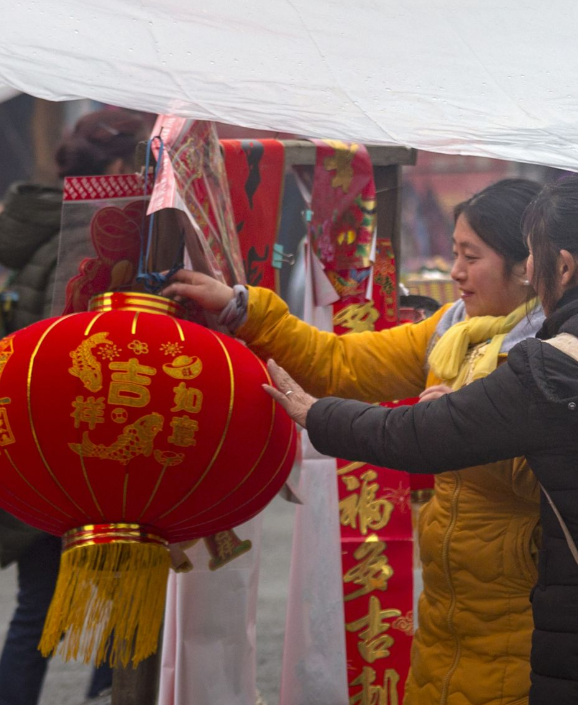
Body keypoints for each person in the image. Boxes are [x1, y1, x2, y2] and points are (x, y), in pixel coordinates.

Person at [265, 175, 578, 705]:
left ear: (563, 266)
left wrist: (315, 415)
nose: (529, 271)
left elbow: (420, 436)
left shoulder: (558, 365)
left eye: (533, 257)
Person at [164, 178, 545, 705]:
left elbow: (548, 474)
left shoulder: (555, 354)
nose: (454, 271)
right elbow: (343, 364)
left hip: (525, 615)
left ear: (526, 267)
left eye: (470, 256)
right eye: (454, 253)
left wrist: (456, 423)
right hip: (448, 610)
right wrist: (240, 308)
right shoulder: (454, 328)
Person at [0, 109, 151, 705]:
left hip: (26, 445)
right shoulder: (95, 232)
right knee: (125, 613)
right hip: (76, 454)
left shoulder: (41, 229)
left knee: (38, 613)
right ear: (116, 167)